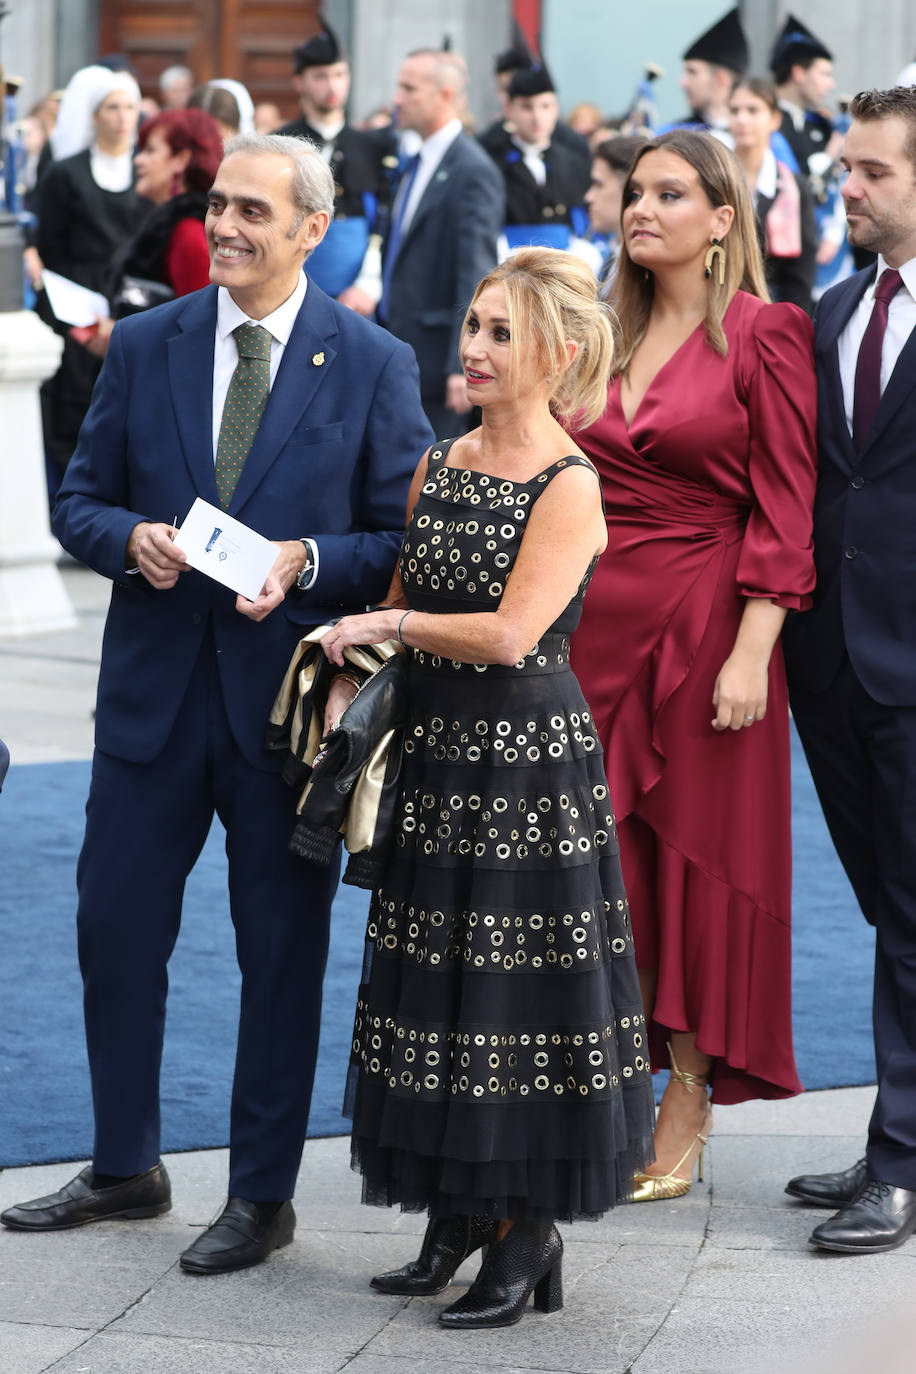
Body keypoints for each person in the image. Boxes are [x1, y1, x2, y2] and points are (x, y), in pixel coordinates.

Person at [0, 133, 434, 1275]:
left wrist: (305, 560)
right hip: (150, 702)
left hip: (284, 718)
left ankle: (259, 1195)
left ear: (310, 229)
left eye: (254, 210)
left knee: (279, 953)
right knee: (113, 933)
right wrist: (125, 538)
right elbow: (77, 499)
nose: (227, 225)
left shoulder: (373, 360)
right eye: (219, 203)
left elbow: (401, 541)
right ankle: (125, 1164)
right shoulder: (147, 344)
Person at [319, 247, 654, 1328]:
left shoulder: (570, 482)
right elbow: (405, 595)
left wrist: (389, 624)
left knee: (511, 999)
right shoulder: (441, 461)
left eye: (500, 333)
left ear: (556, 355)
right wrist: (352, 675)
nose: (472, 348)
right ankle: (458, 1213)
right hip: (438, 755)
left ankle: (526, 1232)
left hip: (525, 766)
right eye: (471, 325)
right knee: (439, 987)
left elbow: (510, 634)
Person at [569, 130, 817, 1200]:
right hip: (590, 634)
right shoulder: (598, 333)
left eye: (670, 193)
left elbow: (785, 505)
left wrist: (755, 648)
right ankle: (606, 1080)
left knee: (695, 866)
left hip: (710, 636)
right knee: (605, 866)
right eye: (634, 192)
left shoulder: (768, 334)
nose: (644, 208)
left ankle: (685, 1090)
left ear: (722, 220)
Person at [782, 87, 916, 1256]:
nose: (849, 187)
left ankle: (900, 1162)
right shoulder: (829, 311)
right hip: (831, 665)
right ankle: (897, 1129)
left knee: (915, 916)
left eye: (870, 170)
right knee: (887, 909)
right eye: (846, 169)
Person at [375, 48, 504, 438]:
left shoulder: (471, 170)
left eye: (409, 89)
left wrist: (458, 363)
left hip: (435, 367)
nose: (397, 99)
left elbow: (476, 272)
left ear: (444, 95)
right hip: (401, 348)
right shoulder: (416, 160)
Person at [34, 65, 146, 482]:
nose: (122, 117)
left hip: (130, 305)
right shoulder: (66, 174)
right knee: (74, 406)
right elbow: (48, 245)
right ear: (94, 114)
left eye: (130, 107)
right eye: (112, 107)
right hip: (74, 304)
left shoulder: (144, 172)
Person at [81, 107, 225, 359]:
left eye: (150, 150)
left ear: (181, 159)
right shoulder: (166, 222)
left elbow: (197, 336)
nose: (138, 159)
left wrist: (121, 337)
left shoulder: (189, 234)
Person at [274, 20, 385, 306]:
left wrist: (368, 284)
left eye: (339, 74)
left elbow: (384, 219)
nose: (332, 85)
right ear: (299, 82)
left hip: (357, 297)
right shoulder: (278, 144)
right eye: (321, 76)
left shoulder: (372, 146)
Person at [482, 62, 590, 254]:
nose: (537, 117)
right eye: (527, 107)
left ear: (556, 109)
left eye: (545, 106)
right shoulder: (491, 163)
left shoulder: (574, 162)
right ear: (508, 110)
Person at [729, 77, 817, 313]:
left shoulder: (794, 187)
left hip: (769, 312)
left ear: (775, 119)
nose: (742, 119)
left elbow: (800, 274)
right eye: (735, 110)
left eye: (753, 110)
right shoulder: (712, 179)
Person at [663, 7, 748, 136]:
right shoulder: (674, 134)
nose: (683, 82)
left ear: (721, 79)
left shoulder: (766, 141)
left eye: (692, 72)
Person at [770, 14, 835, 182]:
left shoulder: (820, 123)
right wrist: (831, 152)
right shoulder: (765, 121)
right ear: (798, 73)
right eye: (824, 74)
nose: (831, 84)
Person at [584, 135, 645, 288]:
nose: (588, 197)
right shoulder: (614, 256)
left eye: (598, 185)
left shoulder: (642, 271)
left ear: (629, 190)